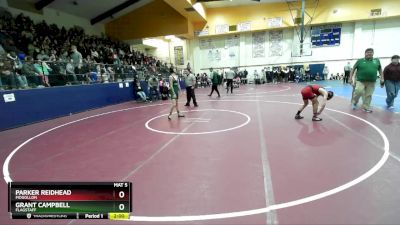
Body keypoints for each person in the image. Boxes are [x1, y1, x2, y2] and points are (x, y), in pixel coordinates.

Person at [350, 48, 384, 113]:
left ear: (373, 53)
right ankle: (354, 102)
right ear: (365, 53)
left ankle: (366, 107)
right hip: (360, 80)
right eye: (368, 52)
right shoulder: (360, 61)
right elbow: (353, 69)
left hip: (372, 81)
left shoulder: (376, 61)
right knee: (358, 91)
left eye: (371, 52)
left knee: (368, 95)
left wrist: (382, 78)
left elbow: (380, 69)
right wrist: (350, 78)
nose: (369, 53)